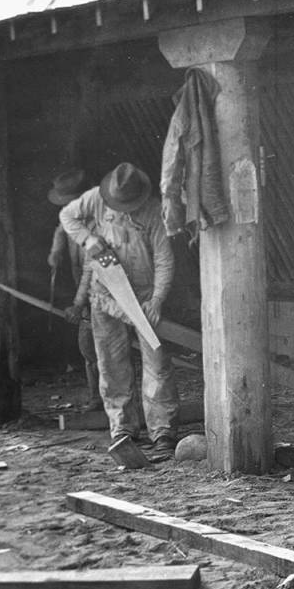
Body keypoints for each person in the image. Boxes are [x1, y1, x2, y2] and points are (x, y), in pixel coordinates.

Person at [59, 162, 180, 461]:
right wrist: (88, 239)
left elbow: (164, 259)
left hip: (142, 298)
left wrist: (157, 300)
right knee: (111, 364)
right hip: (104, 295)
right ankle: (122, 428)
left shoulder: (153, 211)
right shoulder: (94, 200)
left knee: (157, 363)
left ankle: (162, 430)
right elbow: (67, 216)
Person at [46, 169, 101, 412]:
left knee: (103, 350)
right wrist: (56, 250)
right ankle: (96, 398)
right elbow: (61, 228)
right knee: (88, 349)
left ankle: (111, 403)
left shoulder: (99, 222)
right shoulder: (69, 218)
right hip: (84, 291)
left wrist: (79, 303)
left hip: (103, 291)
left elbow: (92, 267)